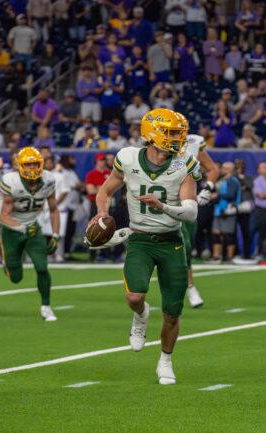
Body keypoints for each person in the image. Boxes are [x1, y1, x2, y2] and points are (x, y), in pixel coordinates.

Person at [88, 109, 201, 385]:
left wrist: (162, 206)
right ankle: (141, 317)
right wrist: (102, 213)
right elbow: (104, 192)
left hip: (171, 241)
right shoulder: (127, 158)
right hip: (139, 239)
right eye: (172, 133)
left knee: (173, 311)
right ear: (154, 134)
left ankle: (165, 361)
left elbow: (191, 212)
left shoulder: (184, 162)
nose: (178, 139)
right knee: (135, 298)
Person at [0, 147, 60, 321]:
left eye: (34, 164)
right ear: (19, 165)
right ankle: (8, 264)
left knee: (42, 267)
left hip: (33, 228)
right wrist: (22, 228)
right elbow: (2, 216)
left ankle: (46, 307)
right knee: (15, 278)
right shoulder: (11, 181)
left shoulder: (48, 180)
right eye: (28, 164)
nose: (32, 168)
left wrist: (55, 234)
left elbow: (54, 210)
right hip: (11, 231)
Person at [181, 133, 219, 308]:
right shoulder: (157, 145)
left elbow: (213, 169)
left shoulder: (193, 143)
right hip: (165, 201)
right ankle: (187, 286)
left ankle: (189, 285)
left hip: (187, 202)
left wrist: (208, 188)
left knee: (187, 247)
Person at [211, 161, 242, 262]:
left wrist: (217, 195)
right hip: (218, 210)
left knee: (228, 234)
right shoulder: (221, 180)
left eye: (224, 168)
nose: (221, 170)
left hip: (228, 210)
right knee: (216, 233)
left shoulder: (233, 181)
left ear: (229, 170)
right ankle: (216, 257)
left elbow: (231, 195)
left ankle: (229, 257)